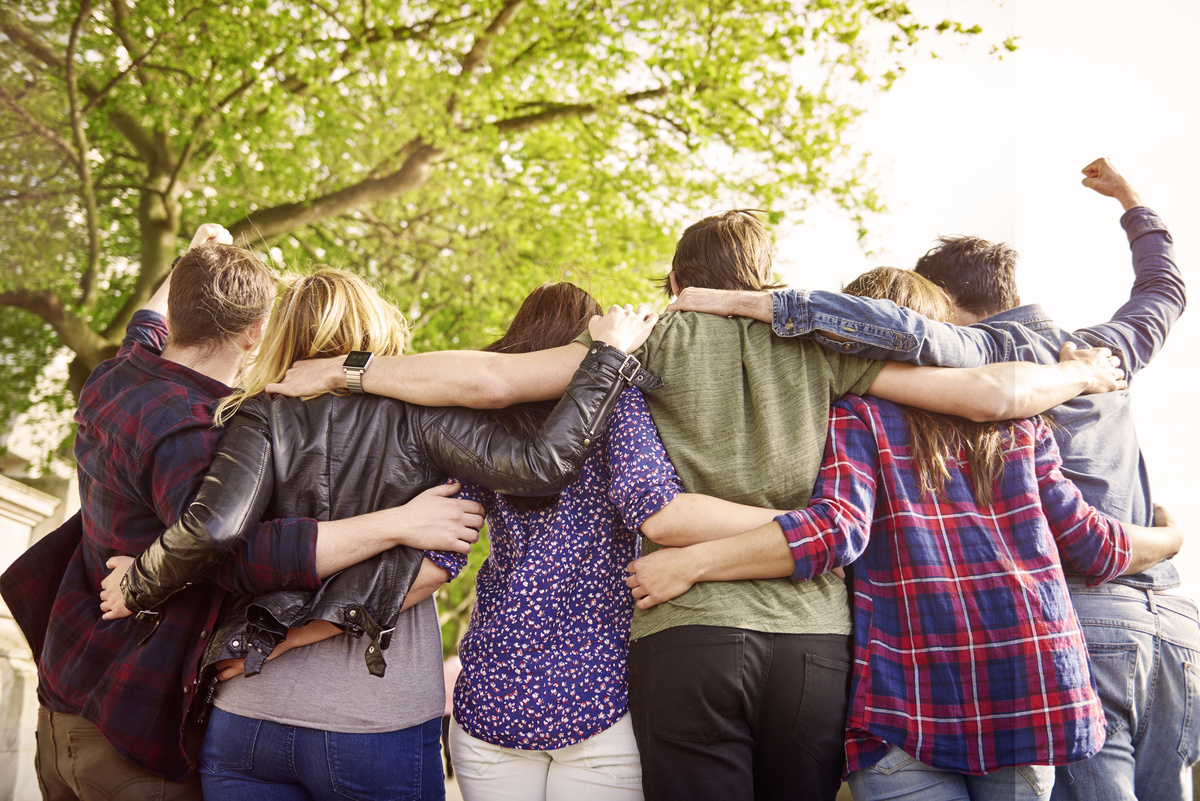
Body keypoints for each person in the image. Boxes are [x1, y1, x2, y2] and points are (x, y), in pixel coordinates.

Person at [263, 213, 1126, 801]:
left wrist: (348, 371)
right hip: (813, 643)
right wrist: (1082, 372)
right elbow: (982, 392)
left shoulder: (655, 343)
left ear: (677, 281)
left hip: (687, 638)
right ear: (768, 281)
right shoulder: (820, 349)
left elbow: (490, 380)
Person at [669, 158, 1197, 801]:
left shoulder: (887, 403)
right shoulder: (1061, 380)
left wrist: (743, 305)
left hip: (906, 699)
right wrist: (1133, 204)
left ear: (943, 311)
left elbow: (837, 528)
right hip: (1044, 680)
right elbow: (1164, 291)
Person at [99, 268, 661, 799]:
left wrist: (142, 582)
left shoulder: (252, 415)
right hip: (376, 715)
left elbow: (215, 535)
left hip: (249, 708)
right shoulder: (422, 414)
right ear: (376, 327)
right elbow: (519, 482)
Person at [8, 227, 484, 799]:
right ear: (255, 332)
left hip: (75, 698)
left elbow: (146, 323)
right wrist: (397, 524)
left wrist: (193, 260)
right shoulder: (209, 433)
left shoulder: (118, 377)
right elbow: (234, 552)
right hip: (144, 725)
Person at [446, 282, 789, 801]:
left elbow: (446, 539)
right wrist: (796, 522)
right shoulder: (616, 401)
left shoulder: (480, 419)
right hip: (601, 691)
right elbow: (656, 507)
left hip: (494, 686)